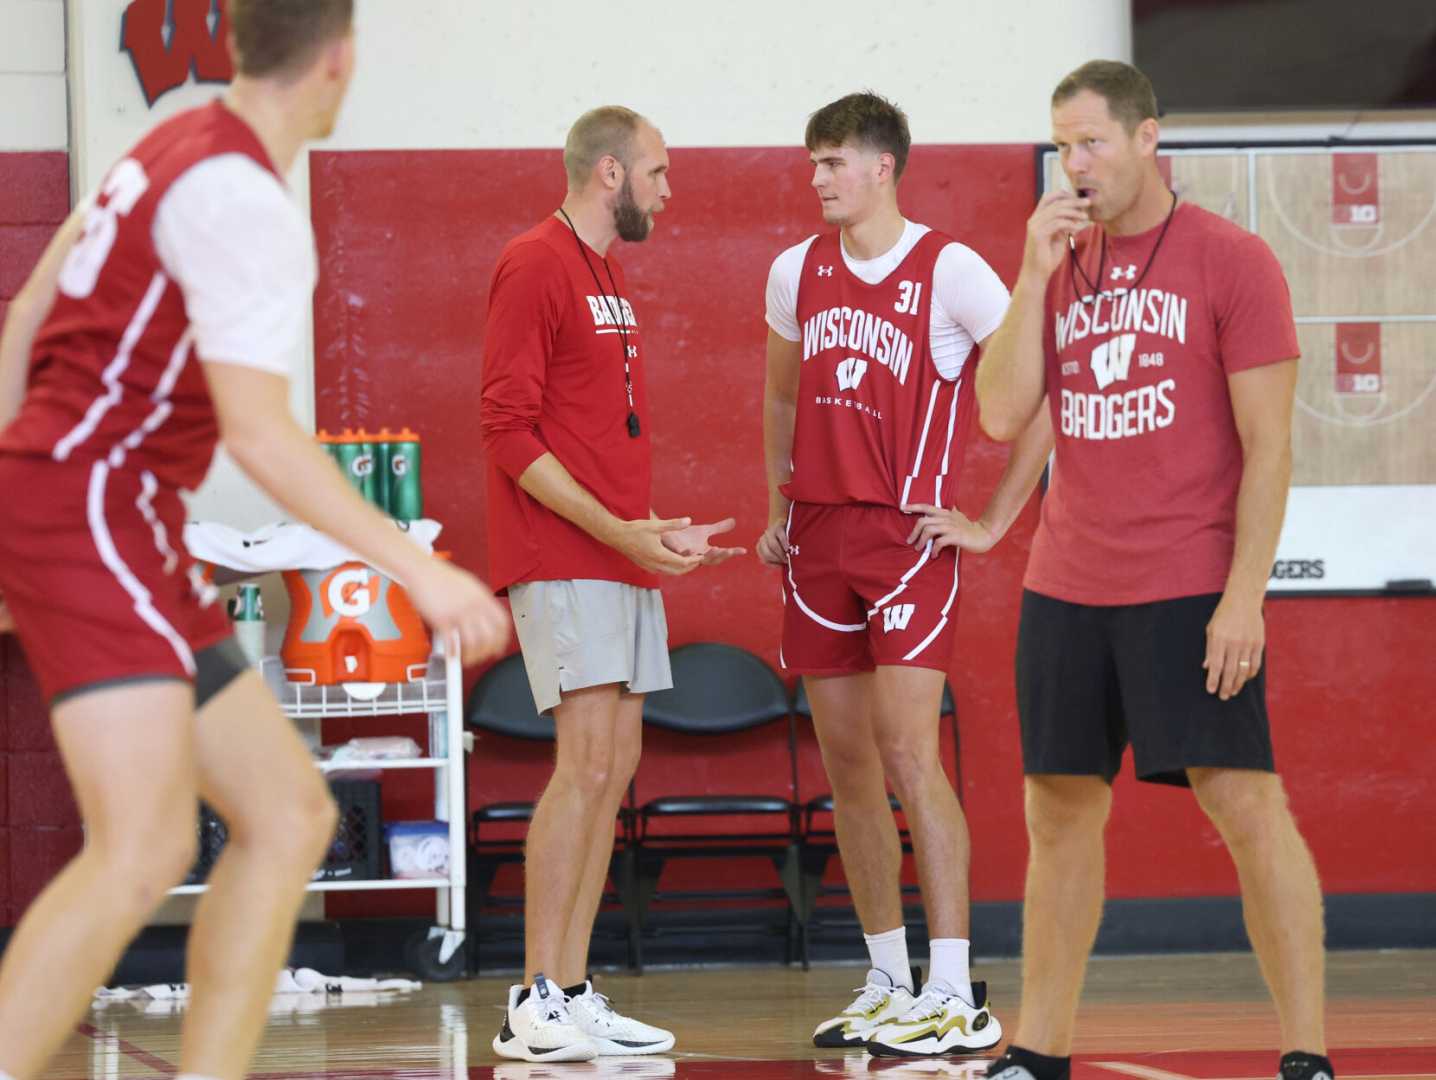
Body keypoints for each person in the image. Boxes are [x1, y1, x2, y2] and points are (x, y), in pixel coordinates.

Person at [0, 4, 510, 1079]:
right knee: (142, 846)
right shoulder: (245, 201)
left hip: (104, 513)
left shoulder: (161, 148)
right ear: (340, 60)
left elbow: (32, 307)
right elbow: (260, 431)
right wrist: (417, 564)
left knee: (284, 816)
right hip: (92, 506)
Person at [974, 60, 1330, 1080]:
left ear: (1144, 140)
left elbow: (1270, 448)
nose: (1072, 164)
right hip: (1065, 582)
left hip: (1187, 583)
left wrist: (1242, 599)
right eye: (1060, 145)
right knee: (1057, 810)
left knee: (1244, 803)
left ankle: (1304, 1049)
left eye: (1089, 141)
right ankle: (1037, 1049)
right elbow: (1000, 414)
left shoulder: (1231, 261)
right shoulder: (1054, 263)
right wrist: (1029, 277)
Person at [757, 91, 1052, 1058]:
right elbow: (778, 395)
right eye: (812, 164)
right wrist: (775, 509)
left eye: (832, 162)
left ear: (882, 166)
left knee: (909, 756)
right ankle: (887, 977)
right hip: (818, 540)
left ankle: (955, 989)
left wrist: (995, 520)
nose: (817, 179)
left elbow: (1039, 390)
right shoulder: (795, 270)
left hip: (907, 542)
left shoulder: (951, 268)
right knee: (846, 768)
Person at [480, 105, 743, 1064]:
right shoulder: (533, 260)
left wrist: (653, 534)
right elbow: (509, 434)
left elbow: (597, 439)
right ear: (608, 173)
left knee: (616, 767)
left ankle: (575, 989)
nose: (669, 192)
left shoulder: (608, 273)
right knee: (582, 765)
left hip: (616, 556)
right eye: (659, 173)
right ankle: (532, 995)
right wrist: (616, 532)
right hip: (561, 556)